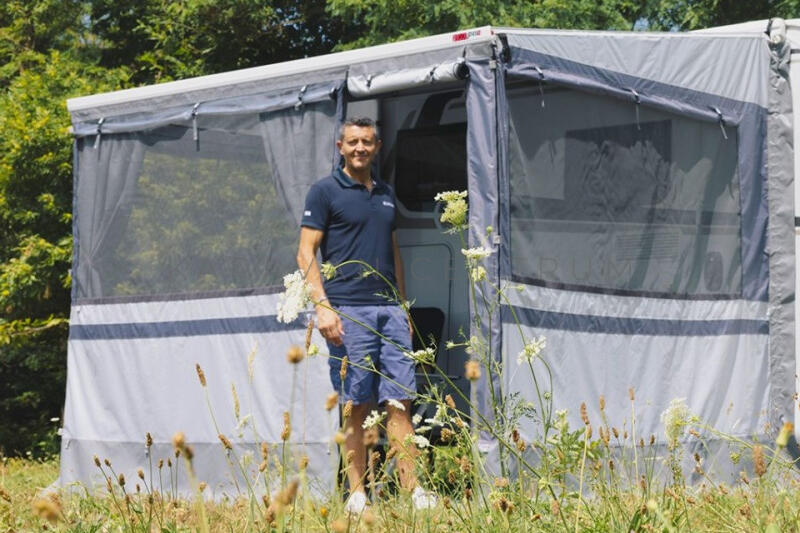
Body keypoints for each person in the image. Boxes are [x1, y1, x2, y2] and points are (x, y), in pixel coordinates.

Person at [296, 117, 436, 513]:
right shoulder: (324, 191)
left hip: (390, 312)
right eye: (353, 142)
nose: (360, 148)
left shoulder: (386, 194)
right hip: (348, 311)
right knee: (355, 403)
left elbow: (393, 253)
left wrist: (402, 306)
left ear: (377, 147)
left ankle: (413, 492)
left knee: (400, 401)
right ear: (340, 146)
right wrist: (323, 307)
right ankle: (357, 494)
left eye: (367, 142)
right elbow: (305, 253)